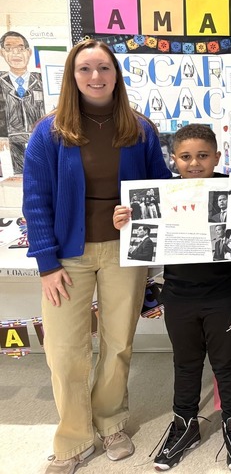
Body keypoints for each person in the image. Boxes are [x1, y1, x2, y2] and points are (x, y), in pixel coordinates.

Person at [22, 39, 172, 474]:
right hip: (67, 257)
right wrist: (47, 265)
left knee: (118, 344)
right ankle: (72, 438)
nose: (95, 76)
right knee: (65, 350)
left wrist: (139, 210)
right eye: (84, 69)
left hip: (123, 253)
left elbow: (160, 188)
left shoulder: (138, 128)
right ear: (72, 76)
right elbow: (35, 200)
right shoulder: (50, 131)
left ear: (115, 74)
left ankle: (110, 423)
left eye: (103, 68)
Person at [114, 123, 231, 471]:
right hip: (178, 295)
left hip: (223, 296)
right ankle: (185, 424)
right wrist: (124, 222)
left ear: (217, 157)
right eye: (186, 157)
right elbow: (140, 239)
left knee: (227, 363)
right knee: (186, 363)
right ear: (173, 159)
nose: (194, 163)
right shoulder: (160, 193)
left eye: (203, 156)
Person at [0, 31, 47, 174]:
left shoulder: (42, 80)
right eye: (9, 49)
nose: (16, 54)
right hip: (9, 149)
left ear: (29, 52)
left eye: (20, 49)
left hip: (40, 145)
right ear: (2, 53)